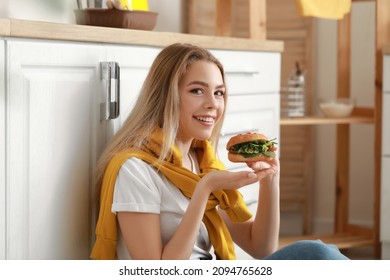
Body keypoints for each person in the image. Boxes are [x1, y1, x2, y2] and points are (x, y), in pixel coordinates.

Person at [90, 43, 348, 260]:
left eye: (219, 93)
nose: (213, 104)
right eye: (197, 90)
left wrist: (271, 180)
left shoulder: (203, 163)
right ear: (166, 95)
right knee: (319, 255)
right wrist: (204, 189)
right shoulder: (135, 170)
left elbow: (261, 247)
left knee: (320, 253)